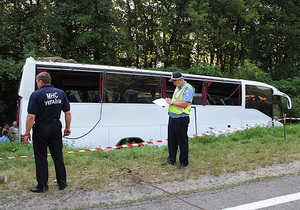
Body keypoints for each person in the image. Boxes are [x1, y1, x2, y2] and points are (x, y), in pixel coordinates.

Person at [22, 72, 71, 193]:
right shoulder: (61, 93)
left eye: (37, 82)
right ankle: (62, 183)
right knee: (58, 155)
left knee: (41, 157)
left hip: (41, 127)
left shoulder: (36, 95)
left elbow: (31, 117)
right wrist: (67, 127)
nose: (37, 84)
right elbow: (68, 113)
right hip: (55, 126)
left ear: (40, 82)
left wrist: (27, 133)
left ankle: (42, 186)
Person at [162, 72, 195, 169]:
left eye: (175, 82)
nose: (173, 84)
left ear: (180, 80)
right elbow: (176, 101)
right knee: (172, 140)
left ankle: (183, 162)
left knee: (182, 141)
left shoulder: (188, 88)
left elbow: (185, 104)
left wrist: (171, 102)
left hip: (181, 118)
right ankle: (171, 159)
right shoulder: (178, 87)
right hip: (172, 117)